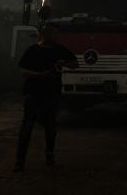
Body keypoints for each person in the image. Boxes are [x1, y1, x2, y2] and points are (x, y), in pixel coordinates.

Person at [14, 23, 77, 172]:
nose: (56, 36)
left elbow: (75, 64)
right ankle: (20, 161)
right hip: (34, 93)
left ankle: (46, 155)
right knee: (28, 127)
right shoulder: (33, 50)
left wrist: (64, 63)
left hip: (51, 94)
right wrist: (40, 75)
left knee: (49, 126)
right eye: (53, 33)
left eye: (56, 33)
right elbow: (23, 71)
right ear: (45, 34)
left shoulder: (60, 50)